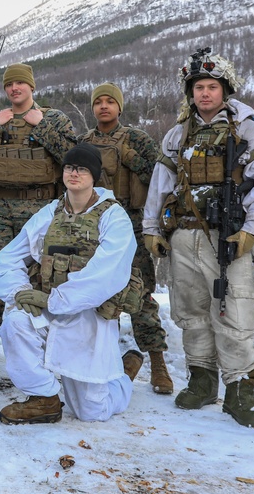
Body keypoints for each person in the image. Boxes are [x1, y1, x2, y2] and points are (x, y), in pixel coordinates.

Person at [142, 48, 254, 428]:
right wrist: (152, 229)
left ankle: (239, 391)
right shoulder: (177, 134)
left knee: (236, 313)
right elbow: (160, 185)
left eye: (212, 86)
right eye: (198, 87)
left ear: (224, 89)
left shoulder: (246, 128)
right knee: (191, 312)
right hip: (184, 235)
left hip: (227, 236)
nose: (204, 94)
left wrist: (250, 231)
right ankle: (202, 381)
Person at [0, 144, 140, 424]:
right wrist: (20, 291)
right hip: (48, 312)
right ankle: (43, 399)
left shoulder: (113, 216)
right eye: (70, 167)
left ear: (94, 175)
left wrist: (53, 301)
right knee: (15, 322)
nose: (74, 173)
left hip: (90, 318)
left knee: (91, 412)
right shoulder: (50, 213)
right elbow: (9, 257)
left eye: (82, 168)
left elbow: (105, 274)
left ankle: (121, 376)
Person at [0, 62, 76, 362]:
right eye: (9, 84)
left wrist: (43, 127)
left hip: (37, 210)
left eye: (20, 84)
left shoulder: (54, 119)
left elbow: (72, 158)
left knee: (39, 276)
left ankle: (40, 343)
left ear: (31, 86)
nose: (14, 89)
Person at [77, 82, 173, 394]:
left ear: (119, 107)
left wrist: (132, 157)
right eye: (98, 102)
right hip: (97, 225)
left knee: (140, 292)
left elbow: (160, 177)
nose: (104, 106)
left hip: (131, 224)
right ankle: (107, 359)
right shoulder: (86, 142)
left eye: (110, 102)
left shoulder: (137, 139)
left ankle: (157, 361)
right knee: (101, 294)